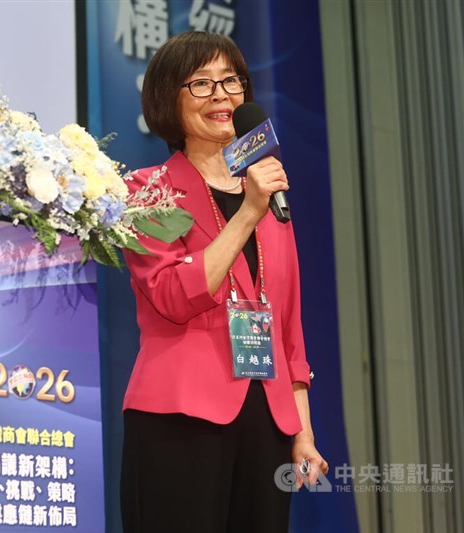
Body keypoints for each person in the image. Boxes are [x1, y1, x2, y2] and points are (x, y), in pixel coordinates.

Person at [120, 31, 329, 533]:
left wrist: (302, 431)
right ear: (167, 99)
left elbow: (288, 327)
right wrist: (248, 213)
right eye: (201, 83)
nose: (221, 94)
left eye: (230, 80)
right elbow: (172, 295)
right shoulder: (146, 190)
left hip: (268, 421)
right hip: (180, 415)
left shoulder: (269, 195)